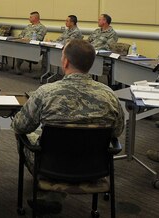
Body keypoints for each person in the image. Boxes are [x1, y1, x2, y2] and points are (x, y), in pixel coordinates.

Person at [12, 39, 124, 212]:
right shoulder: (109, 95)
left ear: (65, 62)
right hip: (94, 166)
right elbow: (117, 131)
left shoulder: (45, 92)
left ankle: (50, 186)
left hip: (51, 165)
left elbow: (20, 126)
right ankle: (56, 194)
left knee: (25, 135)